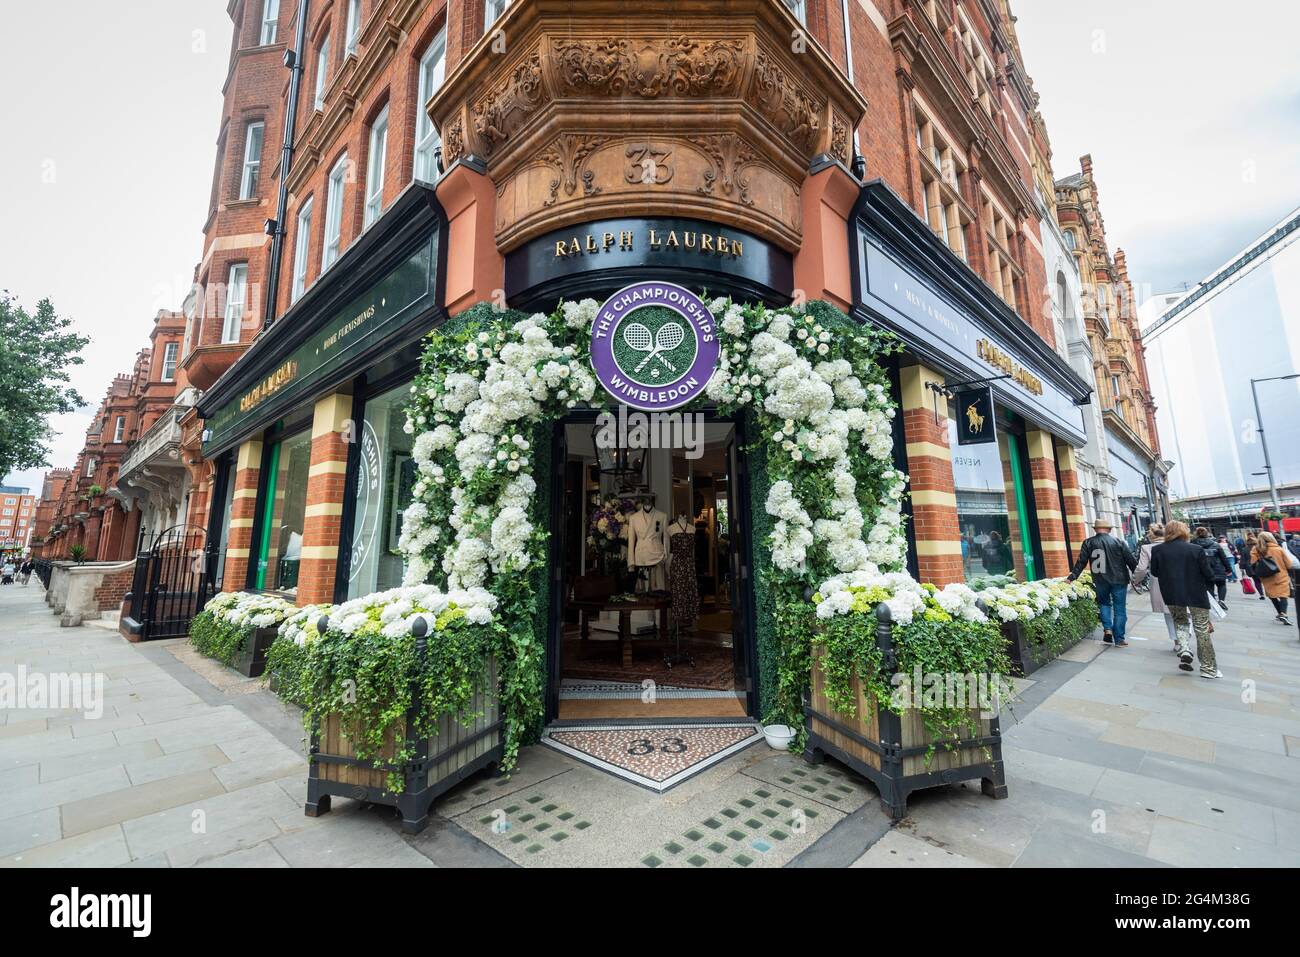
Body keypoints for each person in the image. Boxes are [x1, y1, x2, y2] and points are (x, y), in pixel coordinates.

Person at [1150, 521, 1221, 678]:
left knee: (1180, 622)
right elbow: (1209, 574)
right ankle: (1208, 668)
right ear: (1184, 532)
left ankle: (1184, 649)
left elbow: (1154, 572)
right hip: (1196, 593)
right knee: (1201, 629)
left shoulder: (1158, 550)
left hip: (1172, 593)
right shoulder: (1196, 549)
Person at [1068, 517, 1138, 646]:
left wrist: (1072, 577)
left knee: (1104, 604)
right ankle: (1119, 639)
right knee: (1120, 609)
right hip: (1119, 579)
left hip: (1100, 579)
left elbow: (1081, 562)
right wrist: (1138, 577)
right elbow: (1131, 561)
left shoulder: (1088, 542)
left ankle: (1107, 629)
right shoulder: (1119, 542)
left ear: (1096, 530)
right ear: (1109, 529)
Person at [1131, 523, 1179, 650]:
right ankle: (1185, 636)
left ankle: (1177, 642)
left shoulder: (1147, 548)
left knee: (1168, 613)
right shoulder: (1175, 545)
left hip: (1160, 583)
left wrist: (1136, 580)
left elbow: (1141, 568)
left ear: (1150, 535)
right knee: (1183, 610)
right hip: (1179, 580)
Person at [1250, 531, 1293, 626]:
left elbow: (1253, 563)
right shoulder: (1278, 549)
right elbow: (1289, 564)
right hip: (1281, 575)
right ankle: (1283, 614)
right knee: (1283, 595)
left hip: (1266, 576)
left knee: (1272, 595)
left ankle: (1280, 613)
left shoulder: (1255, 550)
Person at [1193, 526, 1230, 605]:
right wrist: (1229, 570)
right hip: (1218, 568)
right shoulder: (1216, 544)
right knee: (1221, 584)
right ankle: (1221, 600)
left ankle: (1213, 603)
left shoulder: (1193, 545)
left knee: (1209, 586)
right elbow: (1224, 558)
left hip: (1204, 570)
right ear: (1207, 534)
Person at [1242, 530, 1267, 600]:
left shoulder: (1244, 549)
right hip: (1260, 566)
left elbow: (1243, 560)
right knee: (1264, 580)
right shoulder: (1258, 547)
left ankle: (1261, 594)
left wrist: (1242, 568)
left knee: (1256, 581)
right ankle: (1267, 591)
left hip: (1250, 568)